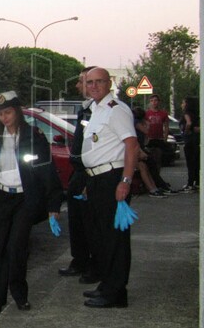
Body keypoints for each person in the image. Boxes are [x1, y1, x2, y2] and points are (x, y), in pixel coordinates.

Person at [0, 91, 63, 318]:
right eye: (0, 114)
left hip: (24, 199)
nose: (4, 117)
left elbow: (47, 171)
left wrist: (53, 205)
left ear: (17, 112)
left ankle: (20, 296)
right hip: (1, 197)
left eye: (8, 112)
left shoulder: (33, 136)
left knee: (17, 248)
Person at [79, 67, 138, 309]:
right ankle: (107, 284)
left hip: (112, 179)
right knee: (101, 237)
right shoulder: (96, 110)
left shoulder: (116, 109)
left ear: (109, 83)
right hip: (96, 180)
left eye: (98, 82)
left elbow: (131, 145)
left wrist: (125, 181)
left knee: (115, 239)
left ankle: (116, 293)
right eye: (89, 82)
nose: (93, 86)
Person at [59, 67, 100, 282]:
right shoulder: (86, 109)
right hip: (79, 170)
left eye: (81, 81)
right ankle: (80, 261)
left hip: (88, 172)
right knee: (76, 221)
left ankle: (93, 266)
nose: (77, 85)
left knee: (90, 223)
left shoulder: (99, 110)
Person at [132, 107, 168, 198]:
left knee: (145, 166)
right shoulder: (136, 122)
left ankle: (154, 187)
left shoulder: (135, 122)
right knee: (146, 165)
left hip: (138, 149)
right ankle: (154, 187)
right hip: (134, 150)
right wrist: (147, 123)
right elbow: (146, 131)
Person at [180, 96, 200, 193]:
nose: (182, 105)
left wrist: (186, 131)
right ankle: (197, 182)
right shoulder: (197, 113)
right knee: (196, 162)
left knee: (190, 163)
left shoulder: (186, 113)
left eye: (183, 103)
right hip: (196, 140)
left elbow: (188, 123)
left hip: (189, 140)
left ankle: (190, 183)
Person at [144, 94, 170, 170]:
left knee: (158, 158)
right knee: (149, 158)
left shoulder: (163, 113)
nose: (154, 102)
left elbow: (166, 126)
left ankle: (158, 174)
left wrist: (165, 138)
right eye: (152, 101)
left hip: (159, 139)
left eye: (155, 100)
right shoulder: (146, 114)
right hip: (150, 139)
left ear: (158, 102)